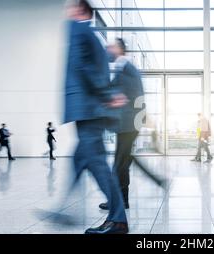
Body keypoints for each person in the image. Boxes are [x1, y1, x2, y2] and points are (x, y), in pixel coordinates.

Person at [63, 0, 129, 234]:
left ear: (81, 10)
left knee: (97, 164)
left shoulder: (78, 29)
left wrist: (106, 94)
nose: (66, 11)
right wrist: (107, 94)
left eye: (70, 7)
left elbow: (84, 68)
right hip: (90, 109)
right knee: (81, 159)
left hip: (88, 109)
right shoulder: (92, 36)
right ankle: (64, 209)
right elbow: (92, 68)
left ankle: (118, 219)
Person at [98, 38, 145, 210]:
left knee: (120, 164)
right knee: (122, 164)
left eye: (110, 46)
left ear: (119, 48)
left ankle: (119, 201)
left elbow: (135, 97)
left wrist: (112, 100)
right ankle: (122, 201)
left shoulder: (127, 68)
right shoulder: (123, 68)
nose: (107, 49)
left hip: (128, 125)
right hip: (127, 125)